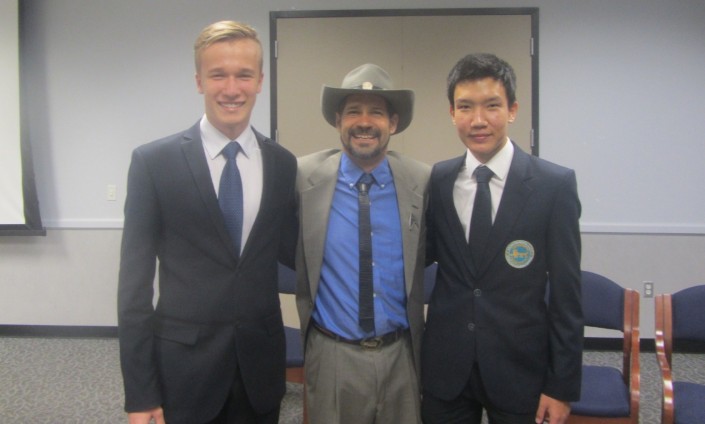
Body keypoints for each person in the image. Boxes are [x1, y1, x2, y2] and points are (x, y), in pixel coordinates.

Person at [117, 21, 297, 424]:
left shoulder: (283, 164)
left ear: (260, 81)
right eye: (218, 75)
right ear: (199, 81)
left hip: (259, 371)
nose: (232, 89)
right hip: (185, 372)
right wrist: (141, 394)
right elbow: (133, 288)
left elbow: (294, 250)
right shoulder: (153, 163)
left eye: (244, 75)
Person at [421, 53, 583, 424]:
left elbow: (567, 295)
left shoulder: (553, 186)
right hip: (446, 368)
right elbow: (421, 256)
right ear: (452, 113)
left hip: (520, 368)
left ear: (512, 110)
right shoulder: (439, 180)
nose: (478, 120)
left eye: (491, 106)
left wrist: (561, 386)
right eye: (465, 107)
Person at [294, 63, 430, 424]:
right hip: (332, 355)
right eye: (354, 111)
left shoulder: (421, 182)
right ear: (338, 121)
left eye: (377, 113)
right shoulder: (303, 179)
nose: (364, 122)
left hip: (400, 353)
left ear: (393, 123)